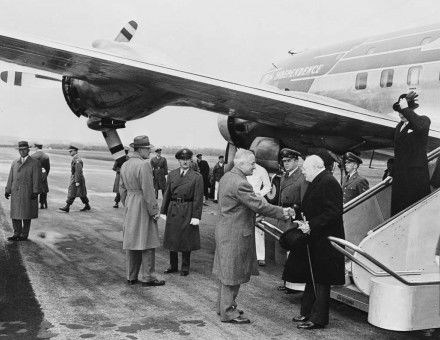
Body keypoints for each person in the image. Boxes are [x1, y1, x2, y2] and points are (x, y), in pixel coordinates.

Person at [212, 149, 294, 324]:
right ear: (241, 163)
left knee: (226, 272)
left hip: (226, 230)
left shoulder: (227, 177)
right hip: (235, 234)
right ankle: (228, 312)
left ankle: (223, 306)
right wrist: (284, 212)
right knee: (232, 274)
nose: (255, 166)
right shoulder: (241, 183)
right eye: (252, 163)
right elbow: (259, 206)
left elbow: (237, 206)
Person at [287, 155, 345, 330]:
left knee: (321, 280)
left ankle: (318, 319)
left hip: (325, 240)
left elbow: (333, 212)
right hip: (316, 238)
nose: (303, 171)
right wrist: (299, 216)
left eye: (305, 168)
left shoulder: (328, 182)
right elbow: (313, 207)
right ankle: (307, 312)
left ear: (314, 167)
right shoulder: (319, 180)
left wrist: (311, 224)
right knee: (312, 277)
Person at [119, 135, 165, 287]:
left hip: (130, 204)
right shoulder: (144, 165)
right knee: (147, 241)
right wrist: (154, 211)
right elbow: (148, 191)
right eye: (147, 149)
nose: (149, 152)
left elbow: (122, 189)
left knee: (132, 242)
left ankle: (131, 276)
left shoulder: (125, 164)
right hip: (142, 204)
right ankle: (148, 276)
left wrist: (127, 203)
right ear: (140, 150)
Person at [161, 148, 204, 276]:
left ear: (190, 161)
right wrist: (163, 210)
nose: (185, 162)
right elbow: (167, 194)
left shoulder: (197, 177)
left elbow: (198, 198)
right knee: (172, 238)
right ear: (178, 161)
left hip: (188, 208)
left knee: (186, 239)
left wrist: (196, 216)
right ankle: (173, 265)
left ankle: (185, 267)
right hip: (173, 208)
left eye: (187, 159)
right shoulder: (172, 174)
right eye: (182, 159)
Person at [391, 91, 430, 215]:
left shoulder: (423, 121)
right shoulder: (399, 127)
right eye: (399, 111)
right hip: (401, 177)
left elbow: (418, 126)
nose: (400, 114)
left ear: (411, 110)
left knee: (415, 212)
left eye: (403, 111)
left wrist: (406, 108)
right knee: (399, 210)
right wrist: (392, 172)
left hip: (415, 178)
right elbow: (398, 152)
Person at [277, 148, 308, 294]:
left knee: (292, 250)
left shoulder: (302, 177)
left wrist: (298, 217)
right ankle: (287, 281)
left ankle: (293, 283)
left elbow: (304, 199)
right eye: (284, 161)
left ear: (296, 161)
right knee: (284, 249)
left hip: (294, 218)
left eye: (289, 161)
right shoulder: (284, 176)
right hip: (283, 215)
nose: (286, 164)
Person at [5, 141, 41, 241]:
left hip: (27, 192)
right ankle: (16, 233)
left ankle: (24, 235)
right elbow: (10, 177)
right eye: (20, 150)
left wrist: (35, 191)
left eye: (24, 149)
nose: (22, 151)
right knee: (15, 214)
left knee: (26, 214)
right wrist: (8, 190)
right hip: (16, 192)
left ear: (28, 150)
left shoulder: (35, 163)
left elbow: (37, 178)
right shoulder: (14, 162)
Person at [246, 162, 271, 266]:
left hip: (257, 199)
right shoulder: (242, 167)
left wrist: (259, 194)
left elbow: (268, 186)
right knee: (244, 225)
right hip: (244, 198)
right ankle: (245, 254)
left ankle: (260, 256)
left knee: (259, 226)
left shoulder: (261, 170)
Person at [59, 145, 91, 213]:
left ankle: (67, 207)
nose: (70, 152)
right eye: (69, 151)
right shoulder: (75, 158)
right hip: (77, 178)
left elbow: (78, 171)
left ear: (75, 151)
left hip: (77, 178)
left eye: (71, 151)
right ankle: (87, 205)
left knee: (72, 192)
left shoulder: (77, 160)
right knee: (81, 193)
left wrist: (77, 181)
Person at [31, 142, 50, 209]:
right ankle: (42, 203)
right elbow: (48, 168)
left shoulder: (33, 156)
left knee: (34, 188)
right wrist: (45, 174)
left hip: (35, 174)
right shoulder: (46, 156)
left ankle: (33, 203)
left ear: (36, 147)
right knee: (43, 189)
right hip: (43, 173)